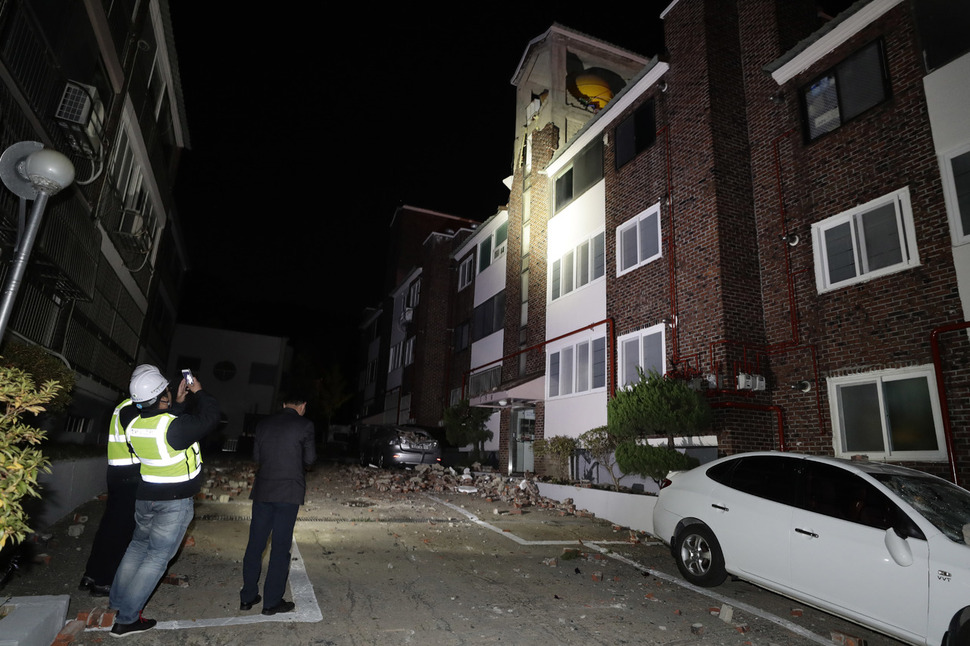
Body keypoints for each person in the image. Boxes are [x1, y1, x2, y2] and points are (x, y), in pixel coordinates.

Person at [107, 366, 220, 638]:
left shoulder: (135, 424)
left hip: (146, 498)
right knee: (157, 558)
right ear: (162, 396)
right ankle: (127, 619)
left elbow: (168, 424)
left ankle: (116, 604)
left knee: (137, 548)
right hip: (173, 502)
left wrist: (178, 402)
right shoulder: (174, 428)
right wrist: (199, 391)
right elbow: (211, 416)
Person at [78, 365, 152, 597]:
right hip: (130, 474)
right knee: (122, 529)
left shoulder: (123, 406)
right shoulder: (134, 410)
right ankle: (104, 581)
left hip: (117, 472)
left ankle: (91, 574)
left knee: (109, 525)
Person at [240, 392, 316, 616]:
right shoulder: (305, 425)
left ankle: (247, 597)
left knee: (255, 544)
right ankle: (271, 602)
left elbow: (257, 457)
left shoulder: (263, 424)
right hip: (289, 492)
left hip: (263, 490)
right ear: (303, 405)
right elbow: (310, 460)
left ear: (283, 404)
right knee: (280, 548)